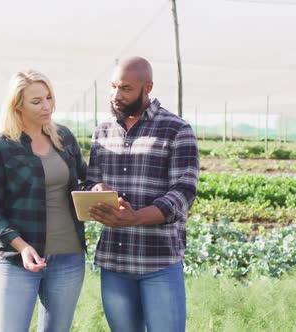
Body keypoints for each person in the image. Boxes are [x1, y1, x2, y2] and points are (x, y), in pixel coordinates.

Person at [86, 56, 200, 332]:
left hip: (158, 260)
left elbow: (183, 192)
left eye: (125, 88)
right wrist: (95, 190)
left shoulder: (176, 130)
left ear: (147, 87)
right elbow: (90, 181)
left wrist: (136, 217)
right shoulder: (102, 132)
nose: (116, 95)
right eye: (113, 86)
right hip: (115, 260)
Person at [0, 69, 88, 332]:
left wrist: (98, 191)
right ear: (17, 105)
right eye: (36, 101)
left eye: (49, 98)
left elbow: (83, 181)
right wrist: (23, 247)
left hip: (68, 257)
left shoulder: (64, 138)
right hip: (18, 260)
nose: (47, 106)